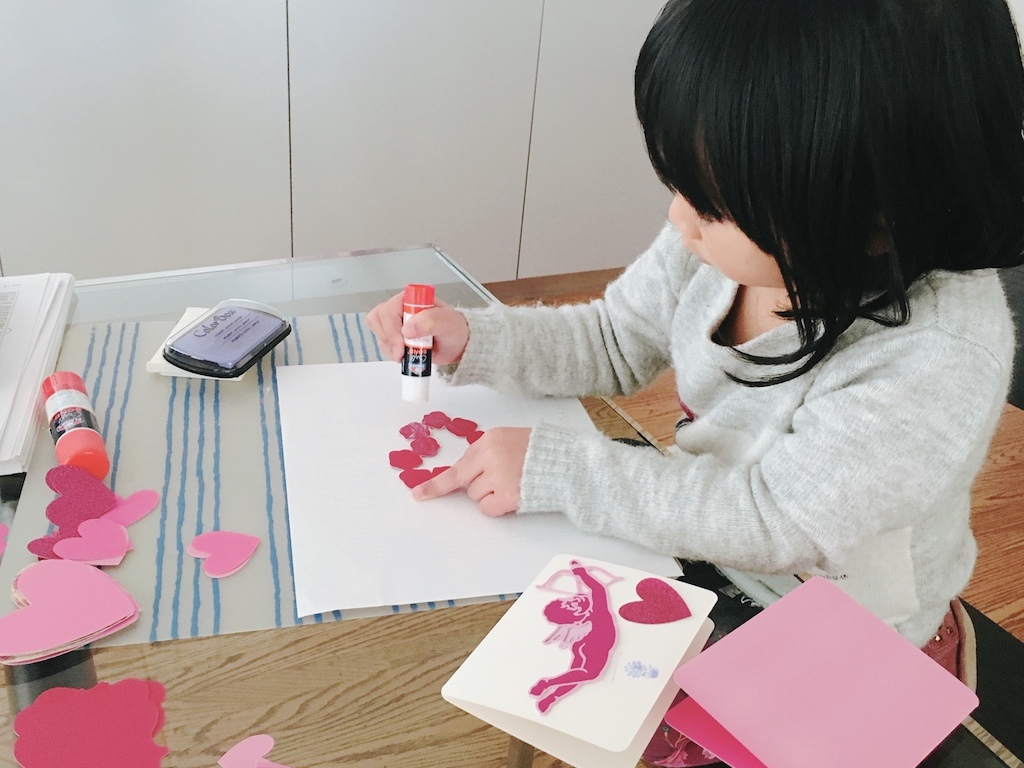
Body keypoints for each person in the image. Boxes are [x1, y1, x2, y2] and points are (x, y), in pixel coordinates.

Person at [370, 0, 1024, 762]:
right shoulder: (729, 236)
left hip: (842, 627)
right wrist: (479, 338)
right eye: (682, 184)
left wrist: (564, 469)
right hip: (703, 554)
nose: (679, 220)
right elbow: (614, 338)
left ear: (872, 210)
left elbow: (778, 519)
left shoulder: (937, 353)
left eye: (711, 204)